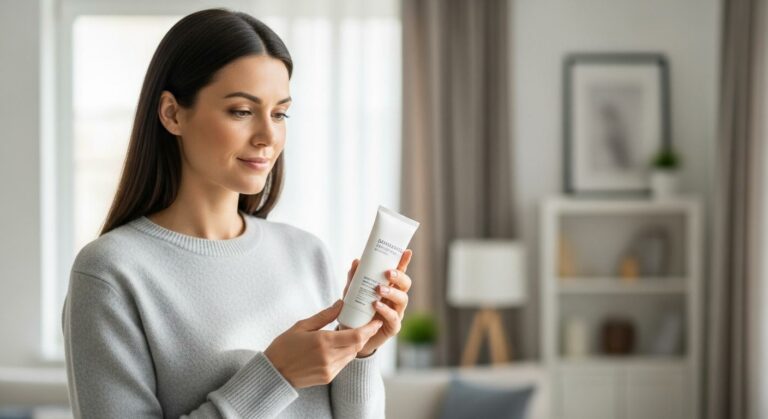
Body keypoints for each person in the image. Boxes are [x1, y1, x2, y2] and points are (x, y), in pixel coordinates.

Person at [61, 8, 413, 418]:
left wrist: (361, 350)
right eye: (242, 112)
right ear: (172, 113)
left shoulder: (305, 253)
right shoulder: (110, 273)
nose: (267, 136)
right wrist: (276, 375)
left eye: (280, 113)